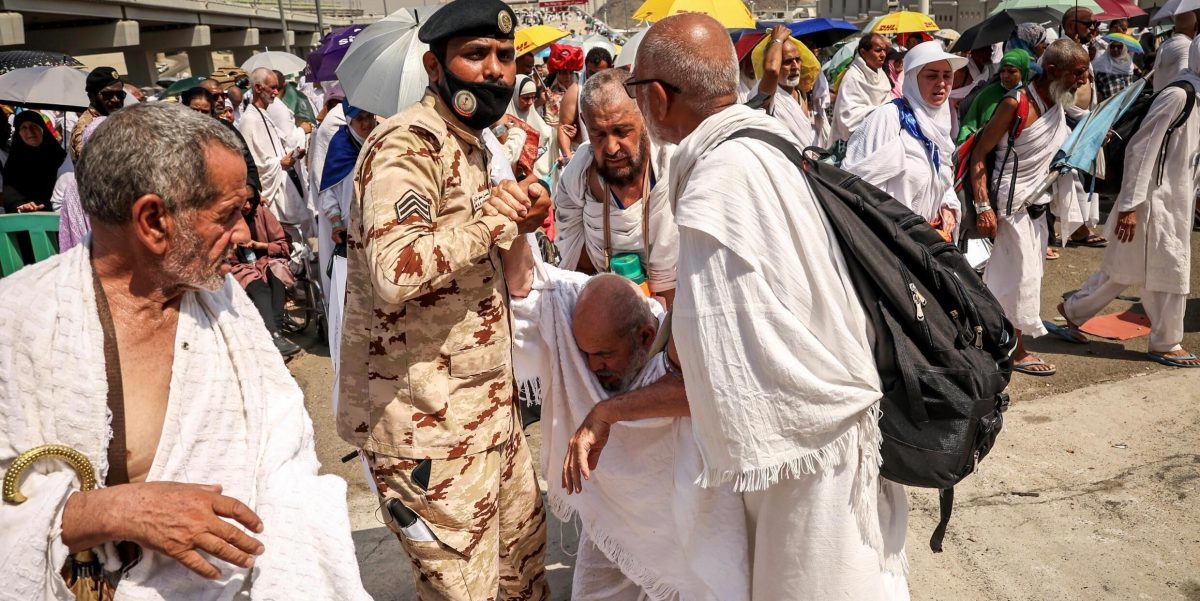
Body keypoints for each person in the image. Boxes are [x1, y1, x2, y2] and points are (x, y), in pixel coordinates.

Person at [0, 102, 370, 600]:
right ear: (153, 221)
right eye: (227, 215)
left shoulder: (223, 302)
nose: (243, 234)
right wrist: (104, 512)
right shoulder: (19, 322)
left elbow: (286, 459)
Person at [630, 13, 910, 600]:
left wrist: (615, 407)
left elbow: (715, 368)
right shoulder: (767, 141)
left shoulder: (717, 185)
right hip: (838, 419)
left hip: (808, 448)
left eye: (636, 91)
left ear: (657, 96)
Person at [336, 0, 552, 598]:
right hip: (427, 431)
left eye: (505, 58)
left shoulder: (474, 146)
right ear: (436, 66)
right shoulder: (408, 144)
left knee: (523, 579)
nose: (495, 72)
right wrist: (491, 222)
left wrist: (520, 222)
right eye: (476, 55)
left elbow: (491, 269)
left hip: (488, 416)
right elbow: (394, 269)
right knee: (463, 590)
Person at [500, 244, 750, 601]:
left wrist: (607, 412)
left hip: (682, 528)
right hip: (611, 520)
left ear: (645, 337)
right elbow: (528, 288)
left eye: (603, 355)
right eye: (585, 354)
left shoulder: (674, 345)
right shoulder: (578, 325)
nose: (591, 367)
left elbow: (700, 393)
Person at [1061, 38, 1200, 368]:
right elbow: (1141, 149)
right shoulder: (1179, 95)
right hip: (1154, 203)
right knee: (1171, 269)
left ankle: (1073, 310)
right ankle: (1167, 342)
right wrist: (1129, 207)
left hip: (1174, 201)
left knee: (1123, 269)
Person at [970, 40, 1091, 377]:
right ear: (1053, 71)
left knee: (1022, 276)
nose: (1083, 80)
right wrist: (983, 207)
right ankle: (1017, 351)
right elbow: (980, 154)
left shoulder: (1057, 103)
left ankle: (992, 338)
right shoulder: (1015, 103)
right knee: (1019, 279)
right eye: (1078, 73)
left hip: (1038, 203)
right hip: (1011, 204)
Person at [554, 68, 678, 305]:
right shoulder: (580, 174)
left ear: (644, 117)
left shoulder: (670, 168)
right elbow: (570, 246)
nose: (611, 148)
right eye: (598, 134)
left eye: (621, 131)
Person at [844, 41, 966, 240]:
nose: (942, 83)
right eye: (932, 75)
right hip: (891, 243)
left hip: (930, 242)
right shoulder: (888, 119)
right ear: (912, 78)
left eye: (947, 75)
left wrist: (948, 206)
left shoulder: (940, 124)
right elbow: (859, 188)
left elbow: (942, 180)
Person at [317, 100, 377, 379]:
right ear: (350, 121)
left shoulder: (381, 140)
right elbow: (328, 190)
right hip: (349, 233)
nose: (366, 123)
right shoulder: (340, 147)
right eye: (359, 118)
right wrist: (336, 221)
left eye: (369, 116)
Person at [237, 68, 306, 225]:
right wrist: (279, 163)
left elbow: (275, 149)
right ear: (258, 88)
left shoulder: (264, 113)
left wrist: (292, 155)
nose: (276, 92)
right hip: (270, 192)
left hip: (282, 184)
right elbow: (250, 163)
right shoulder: (249, 119)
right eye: (272, 87)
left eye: (277, 88)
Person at [751, 30, 822, 147]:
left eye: (797, 60)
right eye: (787, 62)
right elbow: (772, 71)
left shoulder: (800, 94)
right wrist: (777, 39)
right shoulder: (768, 95)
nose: (795, 66)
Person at [956, 49, 1032, 144]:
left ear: (1023, 72)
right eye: (1002, 71)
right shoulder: (988, 94)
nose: (1005, 76)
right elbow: (968, 126)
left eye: (1011, 71)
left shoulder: (1030, 97)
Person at [831, 33, 892, 147]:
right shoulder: (852, 78)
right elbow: (847, 118)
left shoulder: (882, 75)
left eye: (884, 50)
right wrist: (882, 112)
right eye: (878, 50)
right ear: (863, 53)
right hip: (856, 145)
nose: (883, 55)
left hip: (883, 141)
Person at [3, 112, 66, 213]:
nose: (30, 131)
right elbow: (10, 193)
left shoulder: (59, 157)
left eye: (34, 126)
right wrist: (21, 206)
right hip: (26, 220)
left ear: (42, 129)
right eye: (24, 127)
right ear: (18, 133)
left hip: (59, 216)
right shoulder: (14, 162)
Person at [506, 75, 556, 184]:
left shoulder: (533, 115)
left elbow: (547, 133)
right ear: (514, 96)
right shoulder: (505, 120)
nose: (530, 102)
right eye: (525, 98)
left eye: (533, 97)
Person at [70, 66, 125, 162]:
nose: (115, 99)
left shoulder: (115, 119)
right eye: (108, 95)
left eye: (120, 94)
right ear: (91, 96)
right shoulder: (86, 129)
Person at [1153, 11, 1196, 92]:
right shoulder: (1188, 46)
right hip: (1175, 101)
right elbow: (1184, 81)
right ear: (1196, 27)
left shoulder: (1164, 45)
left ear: (1175, 28)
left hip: (1159, 99)